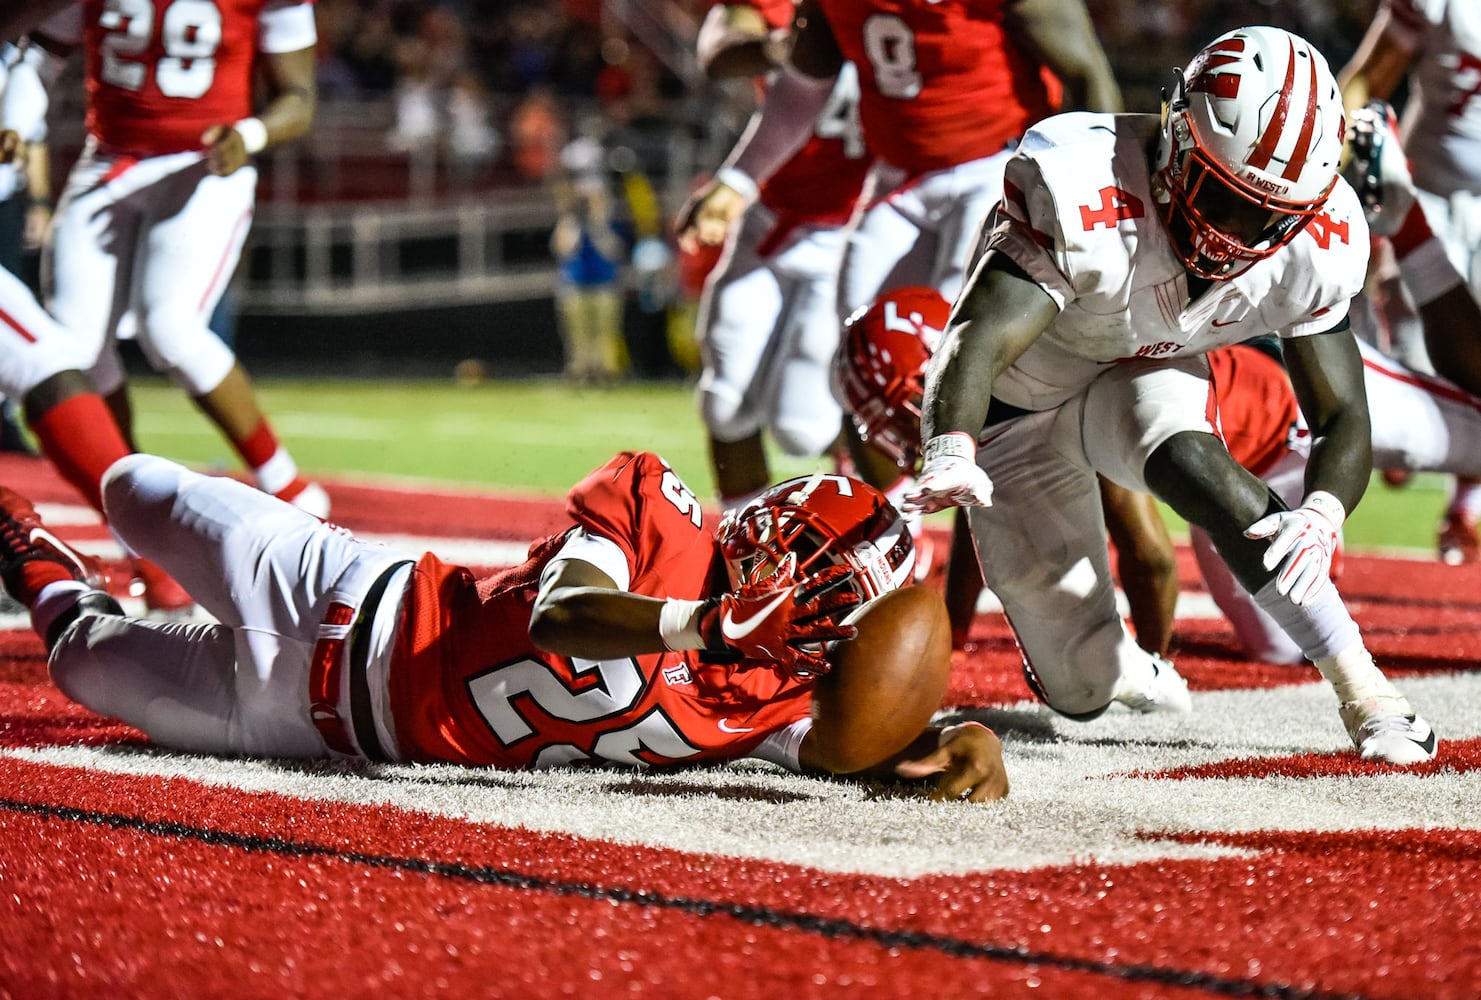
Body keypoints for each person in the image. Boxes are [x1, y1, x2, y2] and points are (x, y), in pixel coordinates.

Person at [906, 25, 1437, 766]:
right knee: (1078, 691)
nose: (1232, 234)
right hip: (1018, 409)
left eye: (1264, 217)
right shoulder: (1084, 179)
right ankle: (1122, 667)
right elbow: (979, 333)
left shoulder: (1318, 237)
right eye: (1222, 197)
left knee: (1196, 465)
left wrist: (1320, 514)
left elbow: (1343, 413)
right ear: (1175, 137)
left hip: (1140, 370)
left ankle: (1370, 695)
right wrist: (951, 446)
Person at [0, 450, 1010, 801]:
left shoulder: (772, 699)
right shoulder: (658, 508)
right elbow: (568, 616)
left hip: (316, 728)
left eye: (820, 599)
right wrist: (705, 620)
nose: (790, 588)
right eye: (796, 562)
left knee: (87, 663)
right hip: (343, 590)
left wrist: (952, 739)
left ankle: (32, 553)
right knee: (133, 486)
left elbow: (854, 744)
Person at [678, 0, 1124, 572]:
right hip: (898, 175)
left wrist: (1096, 204)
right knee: (864, 353)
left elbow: (1086, 72)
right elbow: (802, 82)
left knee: (948, 344)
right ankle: (890, 532)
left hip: (998, 159)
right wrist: (738, 180)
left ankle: (1015, 528)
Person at [20, 1, 328, 519]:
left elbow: (299, 99)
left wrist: (250, 134)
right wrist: (15, 117)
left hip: (204, 160)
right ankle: (131, 492)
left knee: (170, 328)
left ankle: (290, 486)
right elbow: (41, 53)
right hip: (111, 159)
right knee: (73, 348)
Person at [836, 286, 1180, 664]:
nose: (903, 435)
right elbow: (979, 516)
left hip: (1249, 466)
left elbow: (1151, 558)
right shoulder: (1004, 385)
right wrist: (953, 632)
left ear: (939, 369)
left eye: (907, 410)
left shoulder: (1055, 386)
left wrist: (1155, 664)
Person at [678, 0, 869, 519]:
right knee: (723, 399)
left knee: (802, 426)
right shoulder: (782, 9)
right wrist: (780, 46)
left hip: (859, 230)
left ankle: (883, 524)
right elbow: (718, 51)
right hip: (770, 219)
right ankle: (745, 542)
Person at [1338, 0, 1481, 564]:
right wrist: (1347, 166)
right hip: (1426, 200)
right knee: (1422, 393)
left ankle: (1464, 508)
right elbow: (1367, 80)